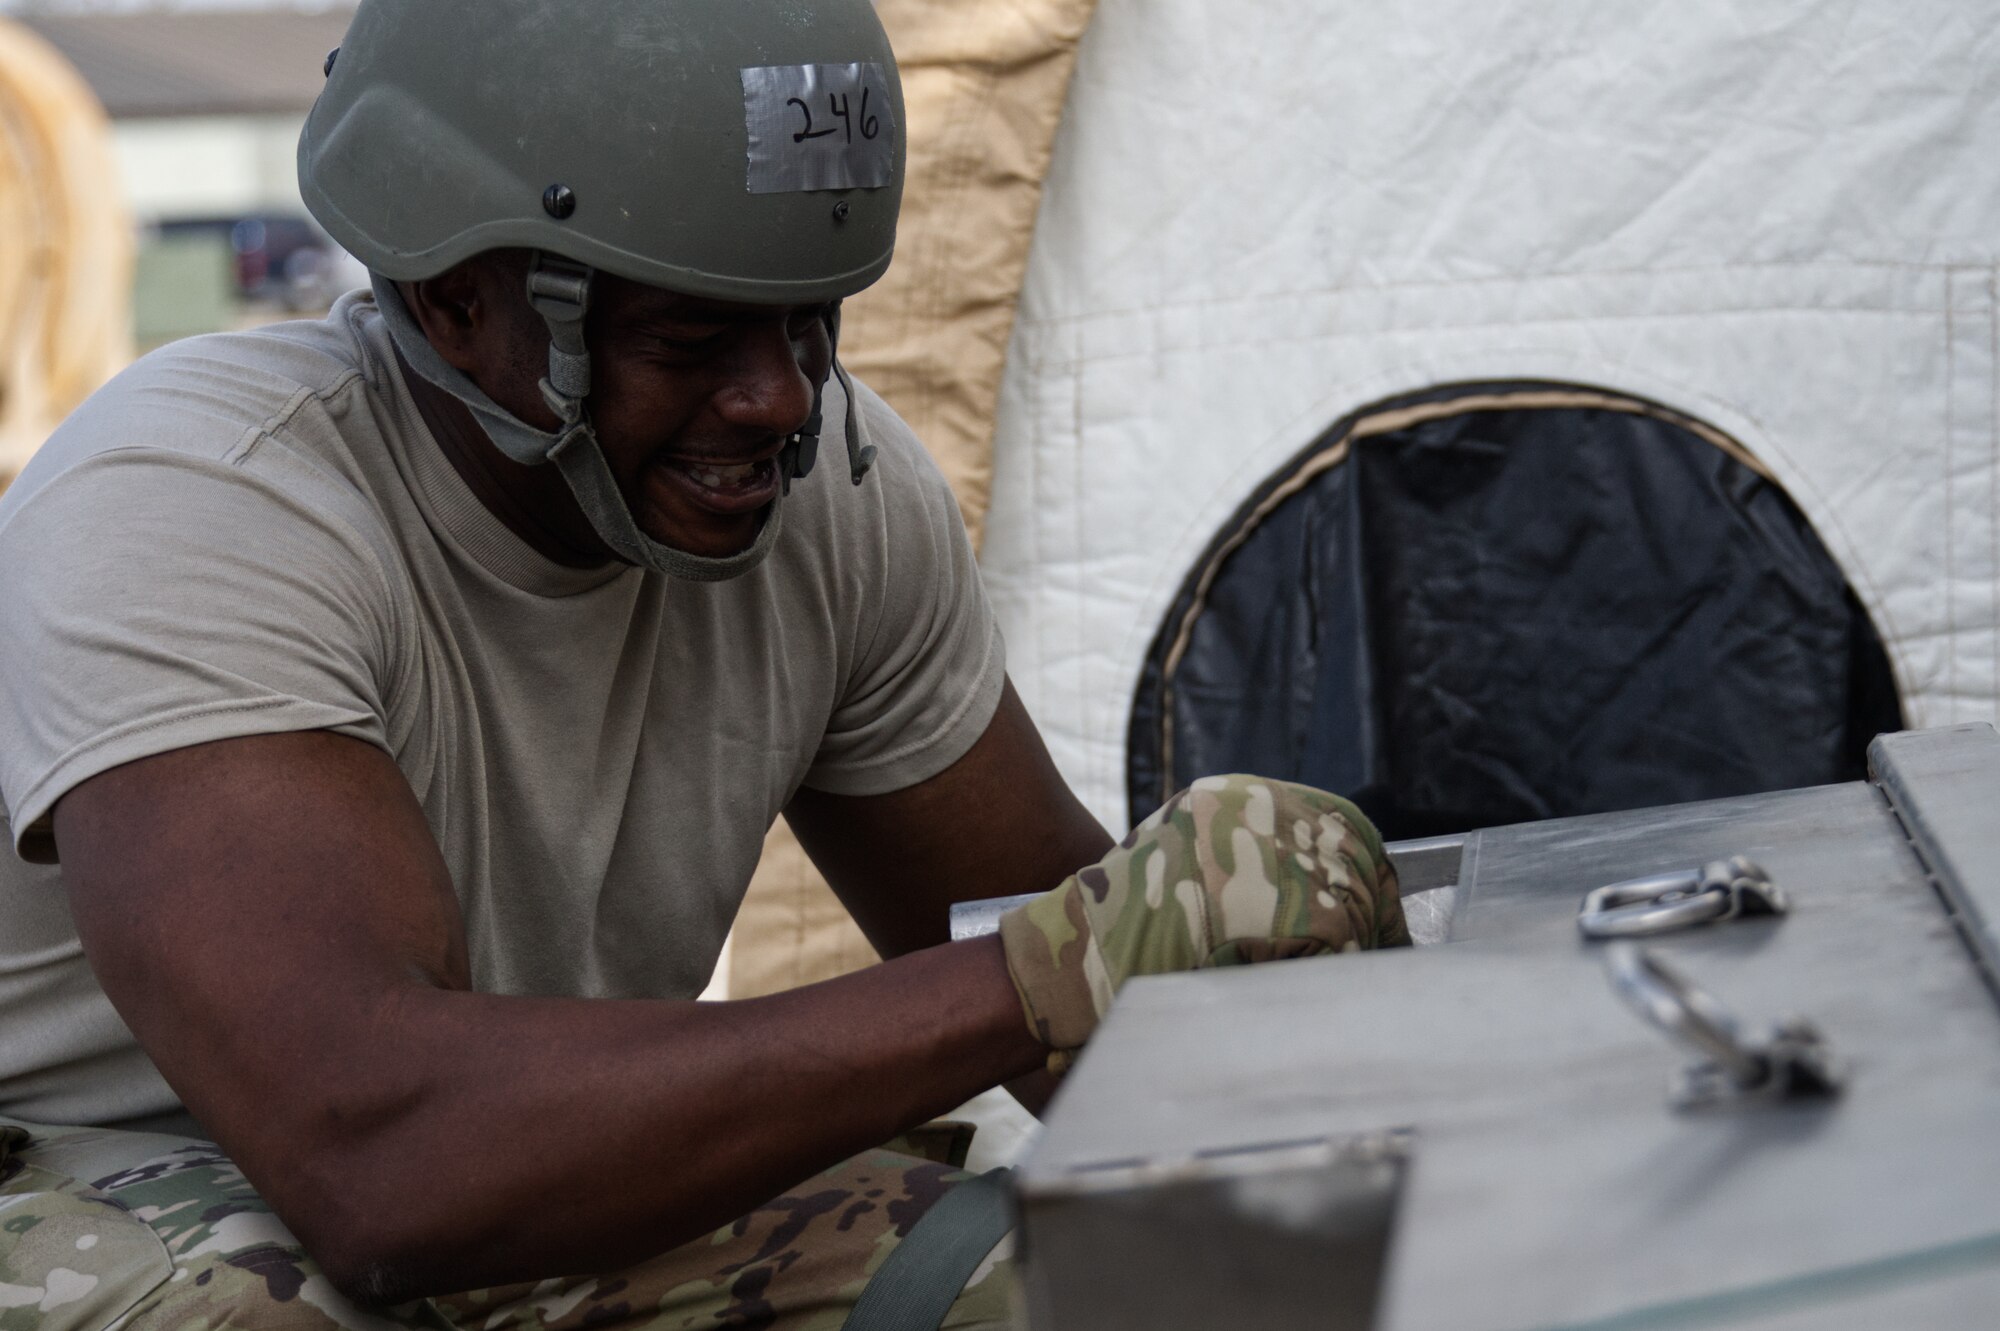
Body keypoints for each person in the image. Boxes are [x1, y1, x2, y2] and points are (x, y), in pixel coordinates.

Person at [0, 3, 1411, 1328]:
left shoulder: (835, 502)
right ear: (453, 303)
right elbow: (378, 1152)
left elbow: (1080, 1010)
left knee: (1077, 1273)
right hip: (112, 1180)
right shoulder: (196, 502)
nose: (780, 399)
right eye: (688, 336)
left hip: (496, 1170)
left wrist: (1257, 964)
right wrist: (1061, 962)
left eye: (811, 320)